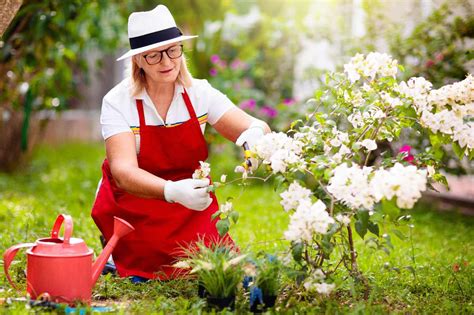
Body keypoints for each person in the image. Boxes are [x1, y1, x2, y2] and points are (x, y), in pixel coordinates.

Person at [91, 4, 270, 282]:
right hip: (138, 207)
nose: (167, 62)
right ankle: (117, 255)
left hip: (191, 208)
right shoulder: (117, 102)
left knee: (216, 267)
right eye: (154, 55)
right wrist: (172, 190)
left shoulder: (199, 93)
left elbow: (253, 124)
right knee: (147, 268)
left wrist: (255, 137)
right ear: (138, 59)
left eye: (173, 50)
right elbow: (123, 172)